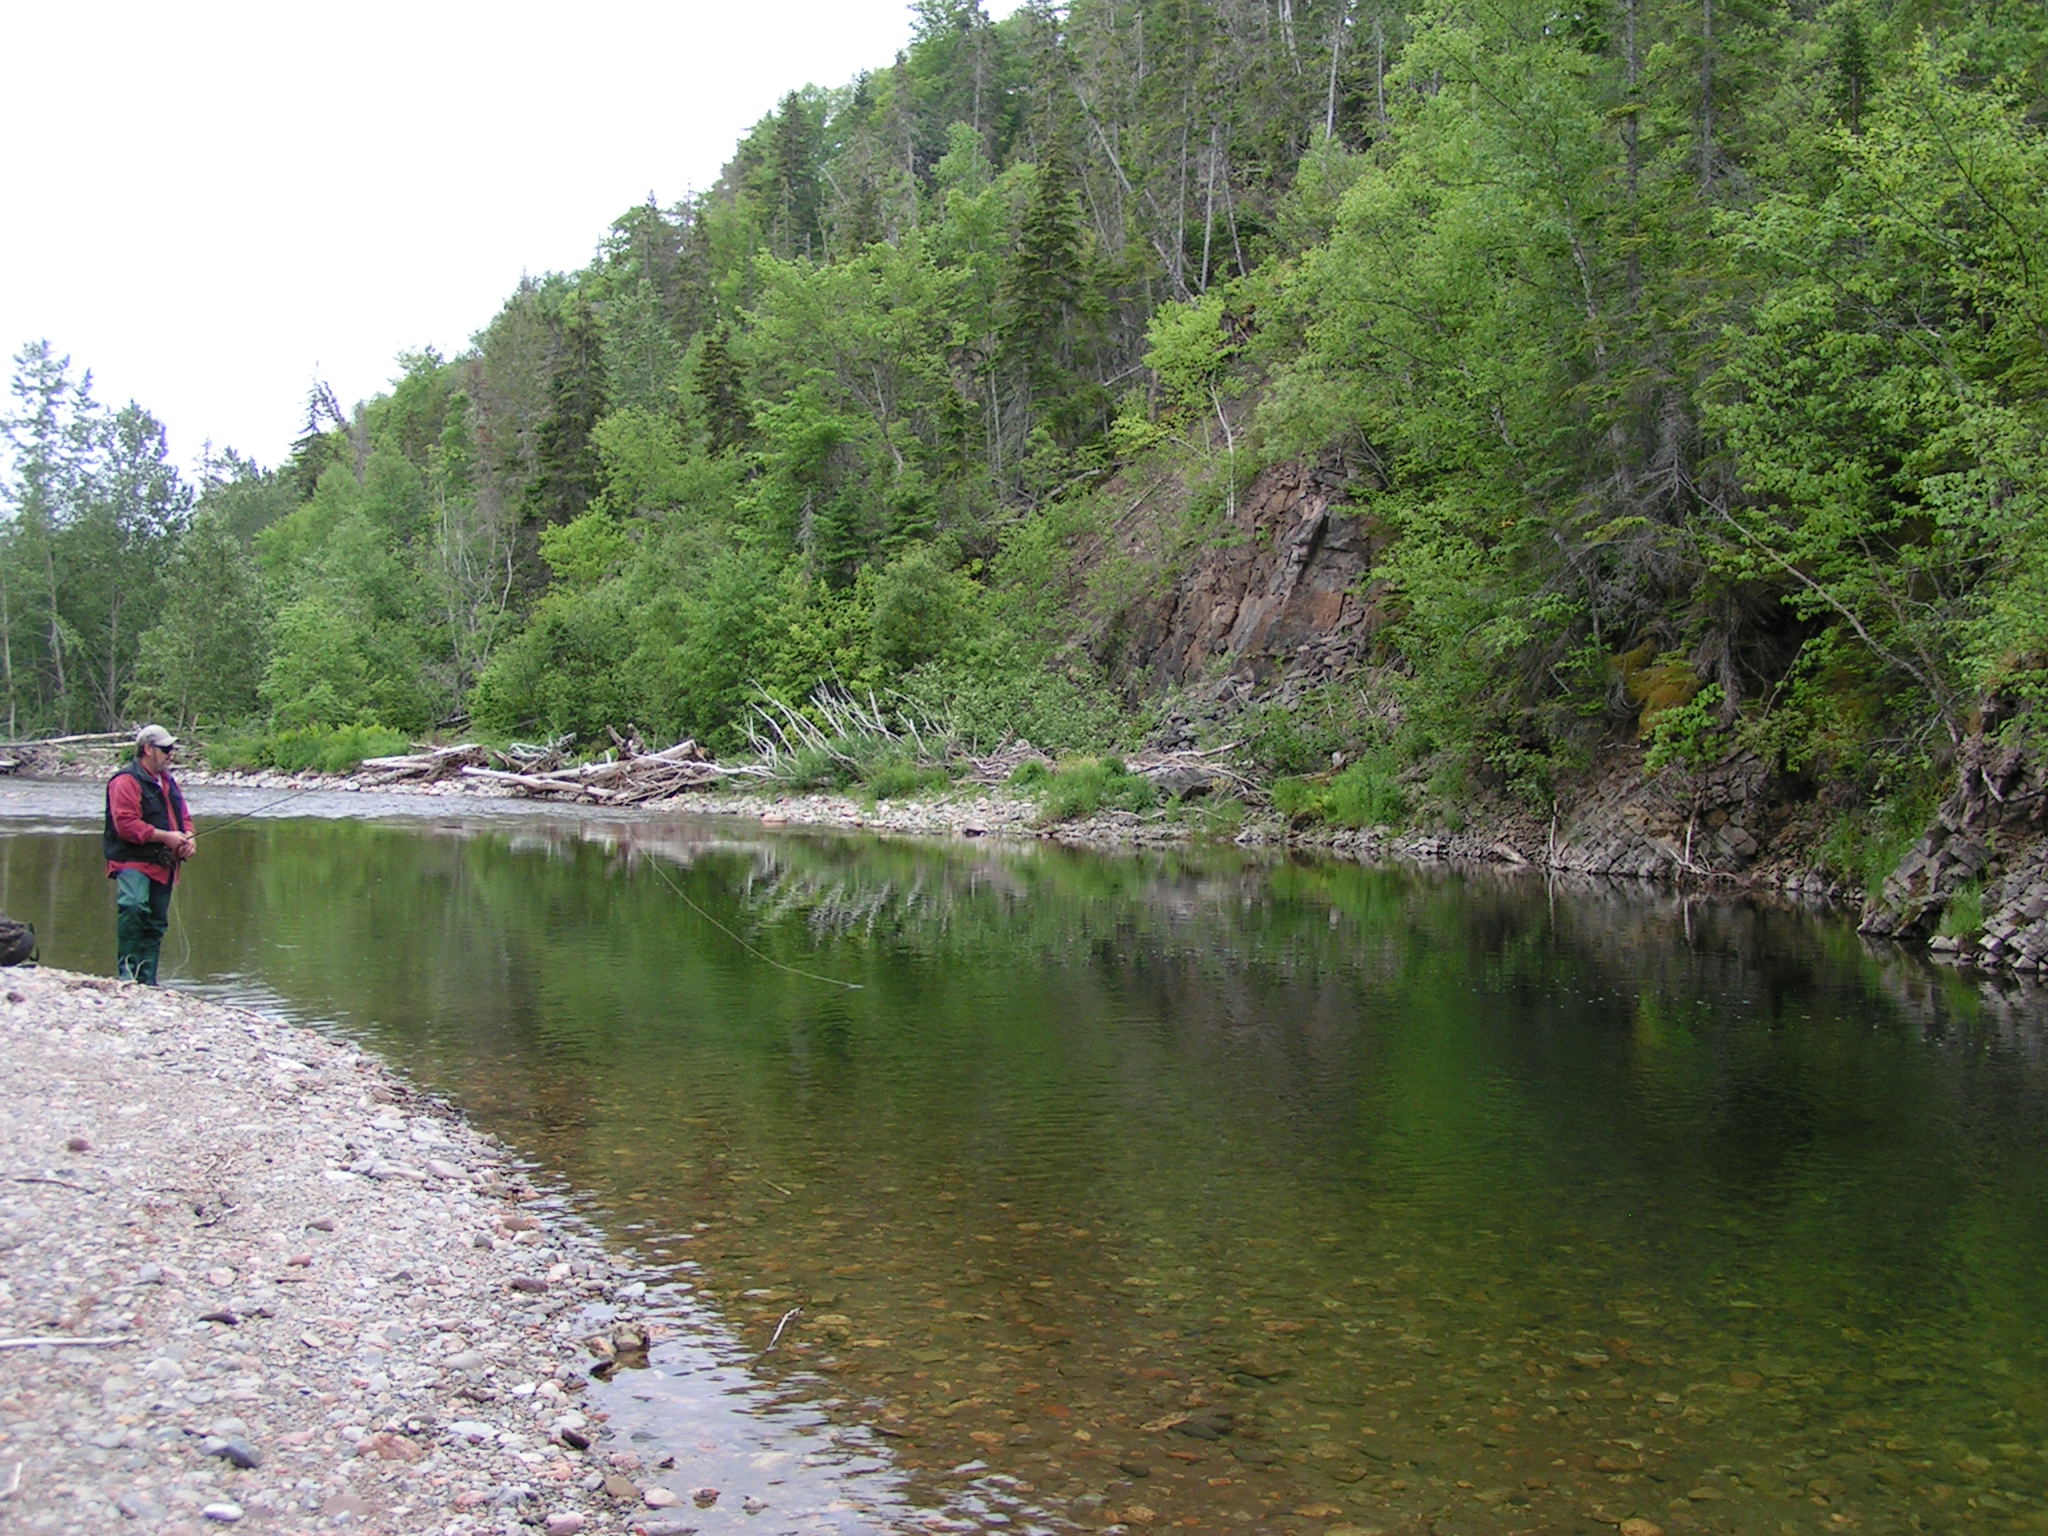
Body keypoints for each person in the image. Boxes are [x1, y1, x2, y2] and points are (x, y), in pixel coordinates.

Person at [104, 724, 195, 984]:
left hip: (162, 862)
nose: (171, 754)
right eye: (165, 749)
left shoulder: (168, 781)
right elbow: (126, 825)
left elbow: (184, 817)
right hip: (130, 859)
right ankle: (126, 973)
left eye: (172, 748)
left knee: (156, 922)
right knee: (133, 906)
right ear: (147, 749)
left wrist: (187, 838)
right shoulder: (125, 781)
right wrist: (166, 837)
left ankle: (147, 980)